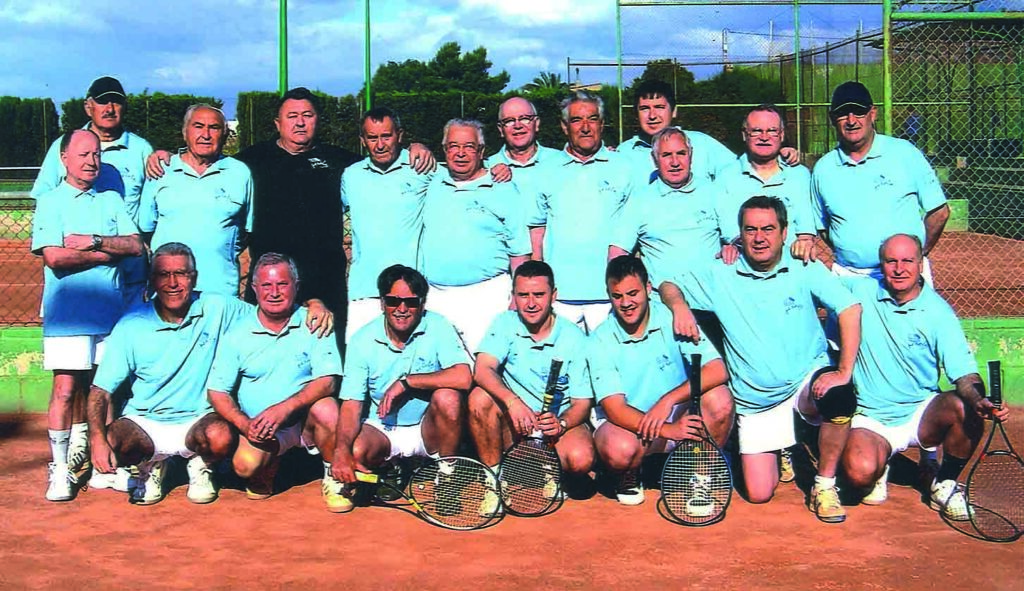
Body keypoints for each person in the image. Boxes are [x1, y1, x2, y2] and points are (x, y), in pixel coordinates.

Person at [148, 88, 436, 351]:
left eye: (307, 115)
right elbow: (209, 159)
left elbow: (381, 156)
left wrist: (416, 147)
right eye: (292, 116)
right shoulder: (248, 163)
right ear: (277, 123)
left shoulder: (341, 163)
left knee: (329, 364)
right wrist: (164, 155)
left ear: (318, 121)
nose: (300, 123)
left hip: (326, 284)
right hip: (270, 284)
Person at [659, 196, 862, 523]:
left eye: (768, 229)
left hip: (806, 384)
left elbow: (850, 309)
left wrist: (843, 371)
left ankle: (824, 485)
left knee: (839, 396)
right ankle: (784, 445)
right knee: (758, 493)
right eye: (750, 230)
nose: (759, 237)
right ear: (739, 234)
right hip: (757, 400)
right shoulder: (721, 272)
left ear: (784, 232)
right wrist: (679, 306)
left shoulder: (804, 266)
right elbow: (668, 284)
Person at [87, 243, 333, 505]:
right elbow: (99, 392)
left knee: (221, 435)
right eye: (163, 274)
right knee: (112, 440)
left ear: (194, 278)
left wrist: (314, 303)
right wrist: (97, 440)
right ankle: (151, 465)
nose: (173, 283)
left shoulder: (217, 307)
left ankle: (201, 464)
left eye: (181, 274)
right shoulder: (131, 325)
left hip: (199, 421)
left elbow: (272, 305)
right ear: (152, 280)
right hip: (145, 420)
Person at [840, 234, 1010, 520]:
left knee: (963, 406)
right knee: (859, 476)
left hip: (921, 413)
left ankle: (944, 482)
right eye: (891, 261)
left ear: (920, 264)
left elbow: (964, 373)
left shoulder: (938, 312)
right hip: (872, 417)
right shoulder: (860, 290)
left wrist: (979, 400)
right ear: (880, 265)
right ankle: (881, 466)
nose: (899, 269)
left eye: (907, 261)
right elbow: (813, 282)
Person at [31, 129, 144, 501]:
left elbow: (135, 246)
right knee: (65, 390)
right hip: (67, 315)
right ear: (64, 158)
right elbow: (55, 257)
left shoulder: (111, 200)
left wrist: (94, 243)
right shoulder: (51, 202)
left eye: (96, 154)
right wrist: (107, 254)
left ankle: (104, 466)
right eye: (83, 155)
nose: (92, 161)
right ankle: (60, 469)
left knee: (105, 391)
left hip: (110, 315)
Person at [589, 256, 732, 506]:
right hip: (633, 426)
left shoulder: (673, 317)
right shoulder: (599, 340)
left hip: (676, 415)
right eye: (617, 296)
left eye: (633, 293)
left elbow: (718, 369)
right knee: (617, 449)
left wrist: (668, 401)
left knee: (720, 400)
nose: (626, 303)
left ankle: (700, 477)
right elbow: (615, 409)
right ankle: (629, 474)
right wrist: (668, 429)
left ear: (648, 288)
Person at [207, 253, 345, 511]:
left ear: (296, 286)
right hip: (262, 427)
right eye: (266, 285)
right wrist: (245, 424)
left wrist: (284, 409)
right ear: (254, 288)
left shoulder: (315, 321)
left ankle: (334, 475)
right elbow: (217, 391)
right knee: (245, 466)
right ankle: (271, 463)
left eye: (282, 284)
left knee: (327, 408)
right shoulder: (236, 333)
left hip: (304, 421)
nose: (274, 292)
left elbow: (328, 382)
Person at [332, 265, 471, 513]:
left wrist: (407, 382)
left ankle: (447, 476)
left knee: (448, 397)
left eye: (411, 302)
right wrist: (341, 451)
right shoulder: (361, 340)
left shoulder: (438, 326)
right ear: (382, 303)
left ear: (422, 303)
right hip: (383, 429)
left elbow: (464, 376)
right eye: (393, 301)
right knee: (356, 450)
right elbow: (351, 405)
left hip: (427, 429)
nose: (402, 309)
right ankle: (390, 466)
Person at [469, 261, 596, 510]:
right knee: (479, 398)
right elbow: (482, 370)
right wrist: (513, 402)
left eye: (539, 294)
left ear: (553, 295)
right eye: (523, 295)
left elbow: (582, 403)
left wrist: (561, 423)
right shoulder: (504, 323)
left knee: (580, 459)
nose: (530, 303)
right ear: (513, 296)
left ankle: (552, 468)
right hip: (517, 422)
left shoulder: (574, 337)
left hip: (556, 424)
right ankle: (494, 481)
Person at [32, 76, 152, 308]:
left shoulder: (142, 149)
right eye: (103, 102)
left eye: (116, 102)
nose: (109, 109)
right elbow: (45, 202)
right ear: (89, 107)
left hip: (131, 274)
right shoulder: (62, 145)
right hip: (76, 272)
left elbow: (150, 209)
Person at [812, 81, 950, 280]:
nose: (851, 120)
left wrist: (916, 255)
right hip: (848, 276)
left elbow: (939, 212)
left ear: (873, 114)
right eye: (843, 114)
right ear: (832, 119)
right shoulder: (823, 168)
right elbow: (823, 226)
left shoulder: (905, 153)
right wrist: (851, 252)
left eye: (859, 112)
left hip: (905, 277)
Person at [418, 118, 531, 352]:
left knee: (484, 368)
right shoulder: (432, 181)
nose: (460, 153)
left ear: (481, 151)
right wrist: (415, 145)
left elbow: (519, 251)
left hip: (487, 297)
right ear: (444, 149)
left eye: (469, 146)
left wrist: (516, 299)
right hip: (435, 297)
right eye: (453, 146)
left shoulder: (503, 187)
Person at [530, 90, 632, 333]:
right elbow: (536, 232)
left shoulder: (625, 168)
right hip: (559, 297)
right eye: (576, 120)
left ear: (602, 124)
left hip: (612, 295)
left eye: (592, 119)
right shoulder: (544, 171)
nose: (585, 127)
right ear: (565, 126)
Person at [138, 104, 253, 297]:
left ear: (224, 135)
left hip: (220, 291)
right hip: (168, 292)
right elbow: (146, 229)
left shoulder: (240, 173)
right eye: (198, 126)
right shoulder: (160, 170)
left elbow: (245, 232)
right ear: (185, 132)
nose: (206, 135)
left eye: (214, 128)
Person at [341, 107, 434, 340]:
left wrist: (498, 170)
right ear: (362, 140)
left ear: (400, 135)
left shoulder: (422, 168)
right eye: (372, 137)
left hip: (410, 292)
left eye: (386, 136)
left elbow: (462, 178)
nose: (380, 144)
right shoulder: (350, 176)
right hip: (364, 292)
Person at [608, 127, 723, 289]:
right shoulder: (639, 200)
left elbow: (736, 238)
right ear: (654, 159)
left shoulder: (714, 192)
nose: (675, 162)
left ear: (691, 155)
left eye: (681, 153)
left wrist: (732, 246)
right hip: (661, 300)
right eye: (666, 155)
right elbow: (618, 253)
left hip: (711, 298)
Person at [716, 104, 816, 264]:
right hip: (743, 264)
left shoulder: (799, 175)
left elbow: (806, 226)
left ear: (781, 135)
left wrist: (805, 241)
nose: (764, 137)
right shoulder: (726, 177)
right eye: (756, 131)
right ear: (744, 135)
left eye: (772, 131)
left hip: (792, 264)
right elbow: (727, 224)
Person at [617, 79, 737, 184]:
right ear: (636, 114)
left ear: (674, 111)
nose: (652, 116)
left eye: (659, 107)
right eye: (645, 109)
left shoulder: (703, 143)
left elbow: (738, 175)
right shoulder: (623, 153)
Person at [485, 96, 562, 202]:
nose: (518, 126)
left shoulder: (561, 161)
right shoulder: (485, 168)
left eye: (525, 119)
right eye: (509, 121)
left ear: (536, 123)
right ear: (501, 129)